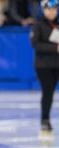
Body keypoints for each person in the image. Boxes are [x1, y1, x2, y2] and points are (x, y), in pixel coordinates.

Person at [30, 0, 59, 140]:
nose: (52, 12)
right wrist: (55, 48)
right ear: (43, 10)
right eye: (49, 9)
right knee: (48, 92)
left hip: (57, 64)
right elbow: (35, 44)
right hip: (43, 66)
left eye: (54, 9)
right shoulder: (37, 24)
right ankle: (45, 120)